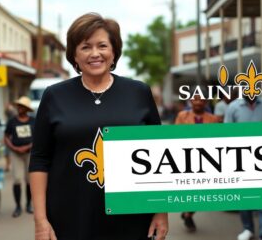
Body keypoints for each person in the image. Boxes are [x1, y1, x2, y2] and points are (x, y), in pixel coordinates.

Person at [29, 13, 168, 240]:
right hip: (70, 215)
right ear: (74, 55)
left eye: (102, 45)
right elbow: (40, 159)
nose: (95, 53)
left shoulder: (139, 92)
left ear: (114, 52)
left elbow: (160, 156)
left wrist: (161, 212)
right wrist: (40, 220)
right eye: (85, 47)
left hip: (131, 215)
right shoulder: (54, 96)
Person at [224, 96, 262, 240]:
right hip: (240, 157)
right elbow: (226, 133)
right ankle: (248, 228)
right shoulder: (233, 107)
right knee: (244, 193)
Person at [175, 93, 219, 232]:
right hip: (186, 158)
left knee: (204, 190)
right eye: (195, 98)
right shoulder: (182, 116)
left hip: (207, 160)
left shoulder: (213, 119)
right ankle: (188, 213)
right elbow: (174, 135)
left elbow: (217, 139)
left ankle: (188, 212)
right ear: (190, 101)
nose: (198, 102)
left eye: (201, 99)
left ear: (206, 101)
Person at [4, 96, 35, 217]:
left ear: (27, 109)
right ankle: (18, 206)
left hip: (29, 153)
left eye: (22, 106)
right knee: (17, 179)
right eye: (19, 106)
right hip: (16, 154)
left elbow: (39, 137)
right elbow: (6, 136)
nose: (19, 108)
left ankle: (28, 204)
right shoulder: (12, 121)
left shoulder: (33, 121)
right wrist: (14, 147)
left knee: (29, 180)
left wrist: (28, 146)